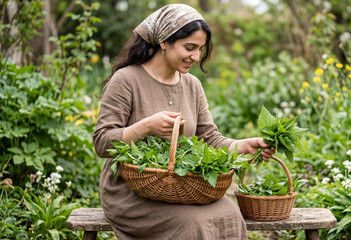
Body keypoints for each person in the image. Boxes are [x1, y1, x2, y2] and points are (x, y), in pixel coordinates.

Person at [93, 4, 275, 240]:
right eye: (189, 48)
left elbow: (209, 138)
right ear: (164, 42)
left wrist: (243, 145)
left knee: (229, 214)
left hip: (180, 185)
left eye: (199, 49)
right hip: (131, 191)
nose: (196, 57)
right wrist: (145, 127)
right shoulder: (127, 80)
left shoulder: (192, 85)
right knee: (190, 223)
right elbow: (101, 142)